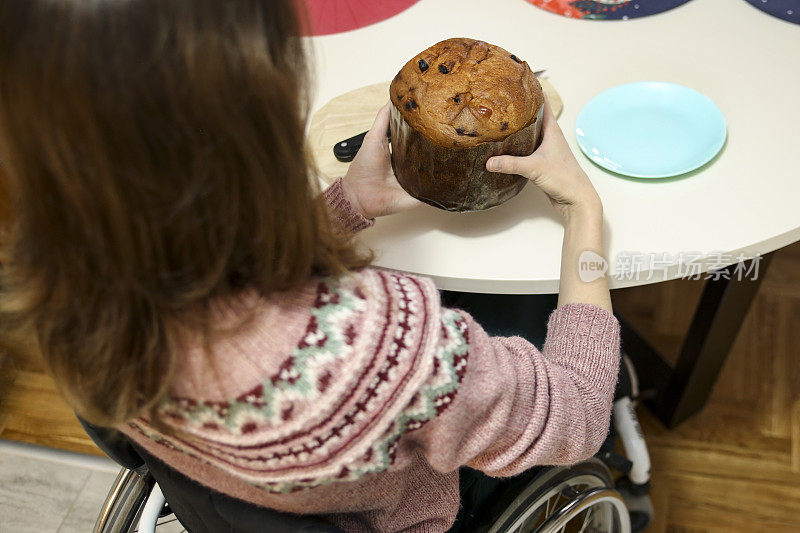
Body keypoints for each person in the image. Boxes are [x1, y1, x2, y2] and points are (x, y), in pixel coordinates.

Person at [0, 1, 619, 532]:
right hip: (398, 508)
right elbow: (581, 415)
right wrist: (582, 209)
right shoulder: (380, 349)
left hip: (247, 494)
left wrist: (349, 205)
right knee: (546, 318)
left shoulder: (62, 297)